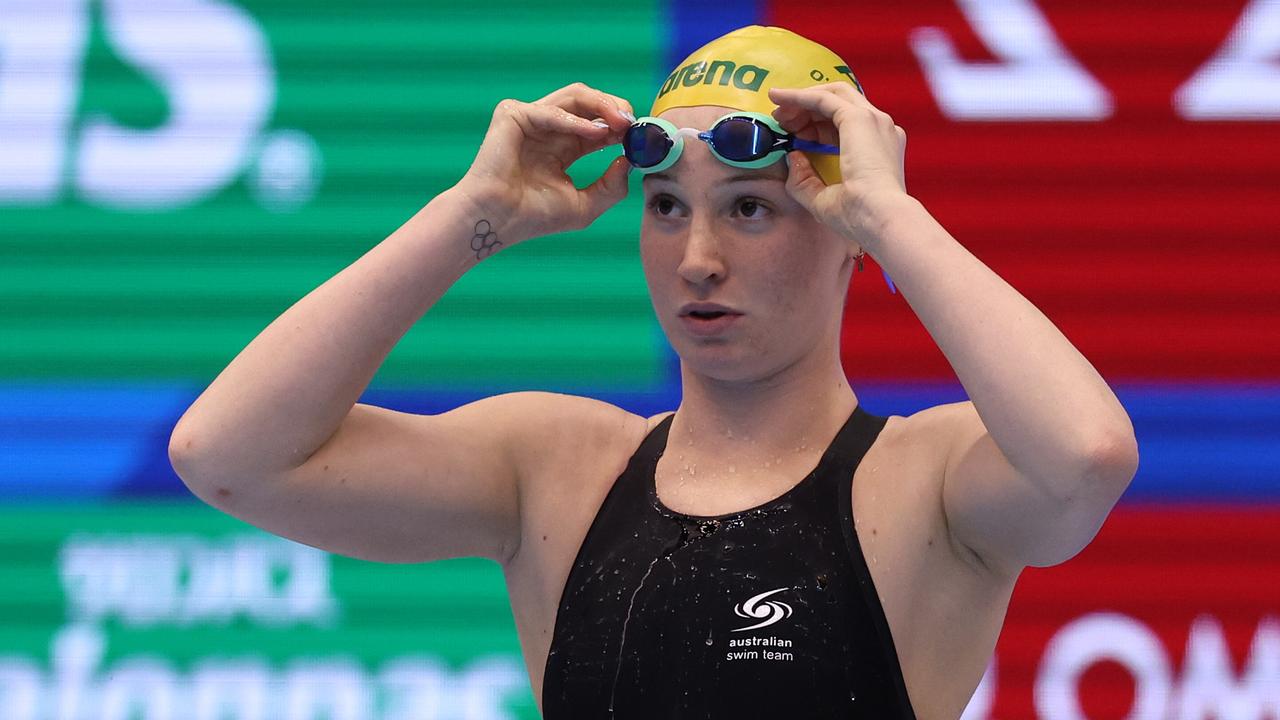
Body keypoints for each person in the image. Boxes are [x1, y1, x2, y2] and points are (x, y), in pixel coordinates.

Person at [169, 24, 1139, 720]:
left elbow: (1085, 455)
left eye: (749, 209)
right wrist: (476, 216)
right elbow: (230, 456)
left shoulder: (926, 482)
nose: (696, 258)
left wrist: (890, 218)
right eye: (666, 206)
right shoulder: (555, 467)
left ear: (844, 231)